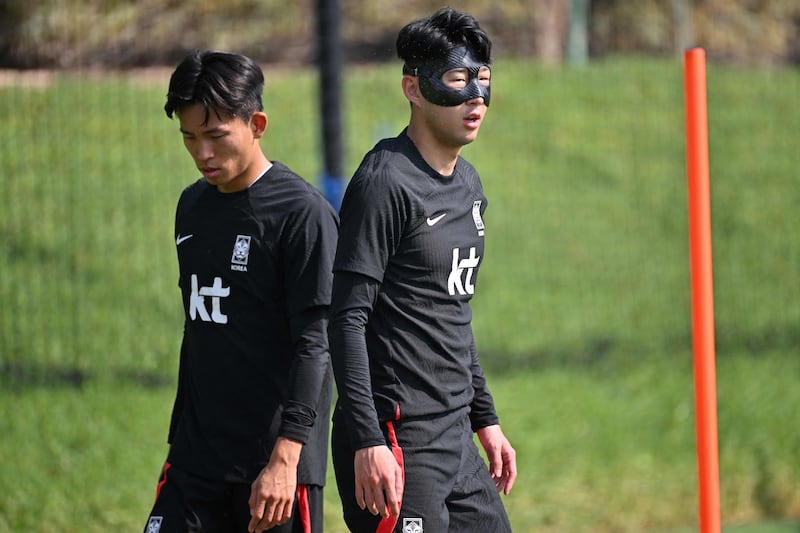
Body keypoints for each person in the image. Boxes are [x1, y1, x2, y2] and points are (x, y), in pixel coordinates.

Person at [328, 8, 516, 533]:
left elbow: (451, 314)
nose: (475, 97)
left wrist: (486, 420)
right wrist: (367, 440)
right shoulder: (384, 183)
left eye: (483, 80)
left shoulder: (469, 185)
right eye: (457, 80)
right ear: (413, 87)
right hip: (397, 441)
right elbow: (345, 320)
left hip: (456, 435)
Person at [143, 50, 338, 533]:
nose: (201, 153)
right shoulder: (191, 207)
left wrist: (286, 457)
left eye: (215, 136)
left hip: (272, 467)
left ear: (257, 123)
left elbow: (317, 344)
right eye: (189, 138)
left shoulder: (302, 214)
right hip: (195, 461)